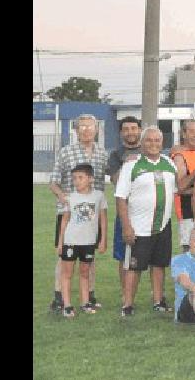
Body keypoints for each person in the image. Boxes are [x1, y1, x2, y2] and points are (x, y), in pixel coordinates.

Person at [49, 114, 109, 314]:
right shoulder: (66, 152)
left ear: (97, 129)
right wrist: (63, 197)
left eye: (89, 126)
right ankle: (59, 298)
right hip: (70, 213)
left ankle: (89, 297)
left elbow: (113, 174)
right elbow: (54, 181)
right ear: (75, 130)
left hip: (93, 214)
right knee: (64, 258)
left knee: (88, 259)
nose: (86, 130)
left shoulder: (102, 153)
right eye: (81, 127)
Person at [115, 127, 178, 316]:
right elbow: (120, 198)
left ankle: (158, 301)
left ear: (162, 143)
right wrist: (126, 226)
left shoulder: (169, 163)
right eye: (149, 140)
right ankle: (127, 304)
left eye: (157, 140)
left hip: (162, 226)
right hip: (138, 228)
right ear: (142, 143)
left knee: (159, 265)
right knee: (134, 267)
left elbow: (176, 190)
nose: (153, 144)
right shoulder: (131, 166)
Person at [54, 164, 108, 317]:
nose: (76, 181)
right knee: (67, 274)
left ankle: (85, 303)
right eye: (74, 178)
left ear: (90, 179)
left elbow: (103, 220)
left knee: (85, 273)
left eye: (80, 178)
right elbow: (64, 221)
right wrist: (60, 243)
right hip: (71, 242)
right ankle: (67, 306)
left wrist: (103, 240)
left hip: (89, 242)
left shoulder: (99, 196)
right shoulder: (70, 198)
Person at [106, 116, 143, 308]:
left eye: (134, 128)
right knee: (124, 255)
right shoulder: (116, 155)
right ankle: (125, 295)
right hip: (126, 211)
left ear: (140, 130)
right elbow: (115, 181)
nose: (130, 132)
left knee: (152, 256)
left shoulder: (149, 150)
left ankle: (158, 298)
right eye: (126, 129)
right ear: (121, 133)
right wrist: (128, 164)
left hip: (148, 211)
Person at [171, 119, 195, 252]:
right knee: (191, 251)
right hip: (187, 212)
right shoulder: (179, 156)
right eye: (192, 131)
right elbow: (179, 187)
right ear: (184, 134)